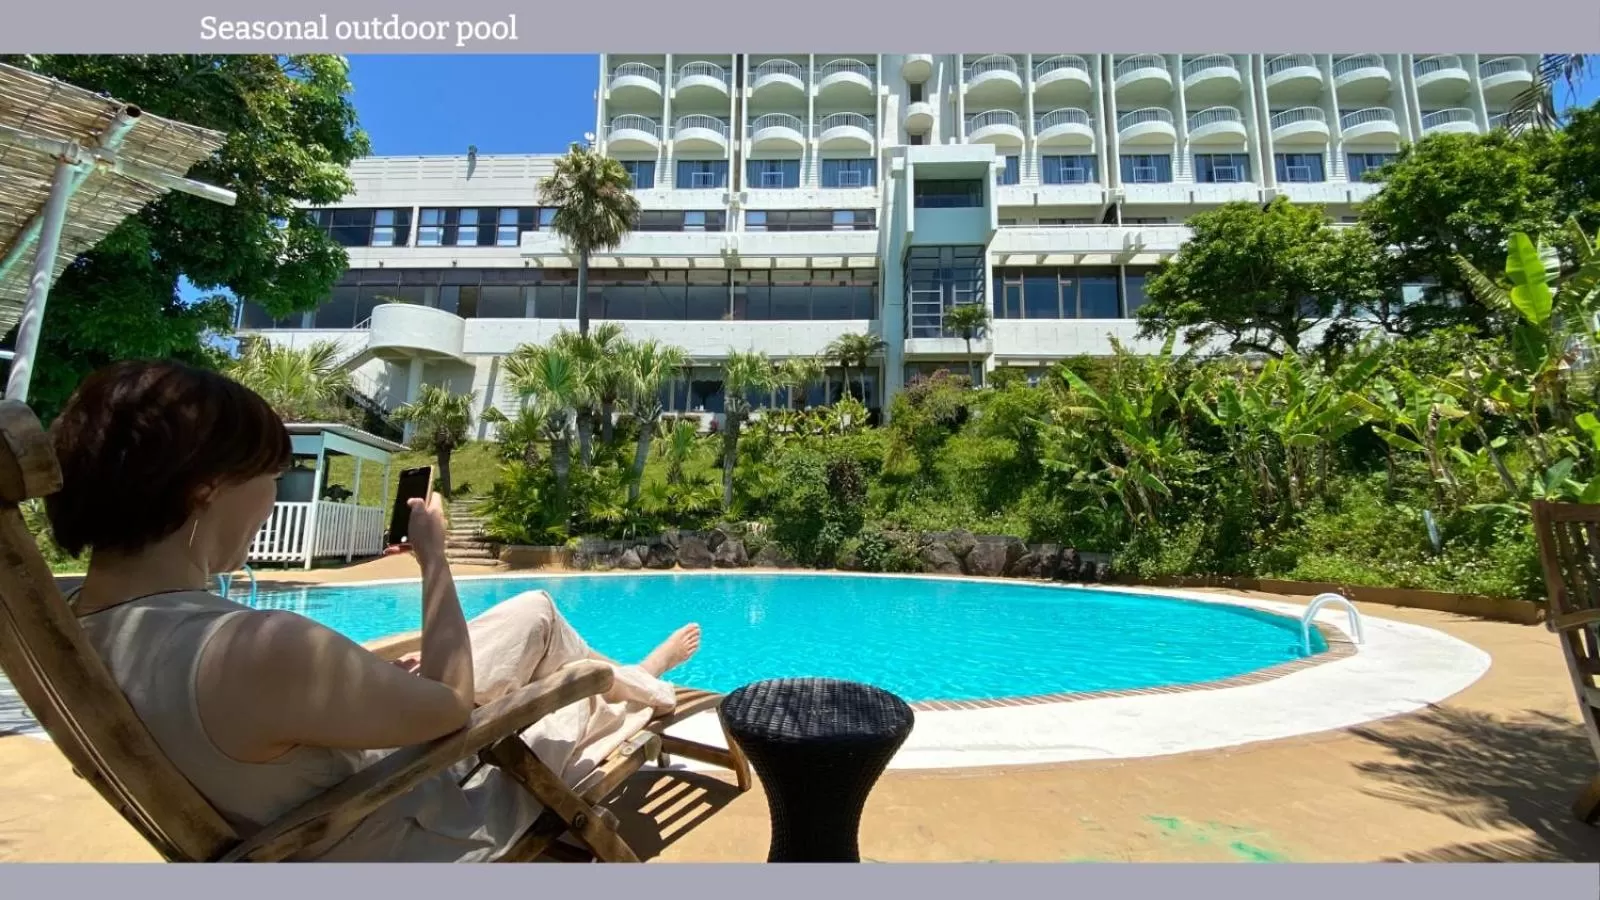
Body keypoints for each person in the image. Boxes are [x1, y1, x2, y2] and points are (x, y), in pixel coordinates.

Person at [45, 359, 703, 861]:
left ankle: (628, 676)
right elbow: (449, 711)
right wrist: (433, 559)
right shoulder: (256, 648)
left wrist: (368, 679)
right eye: (274, 474)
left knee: (533, 612)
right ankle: (638, 683)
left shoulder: (76, 633)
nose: (275, 497)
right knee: (571, 693)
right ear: (205, 490)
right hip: (423, 820)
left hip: (344, 780)